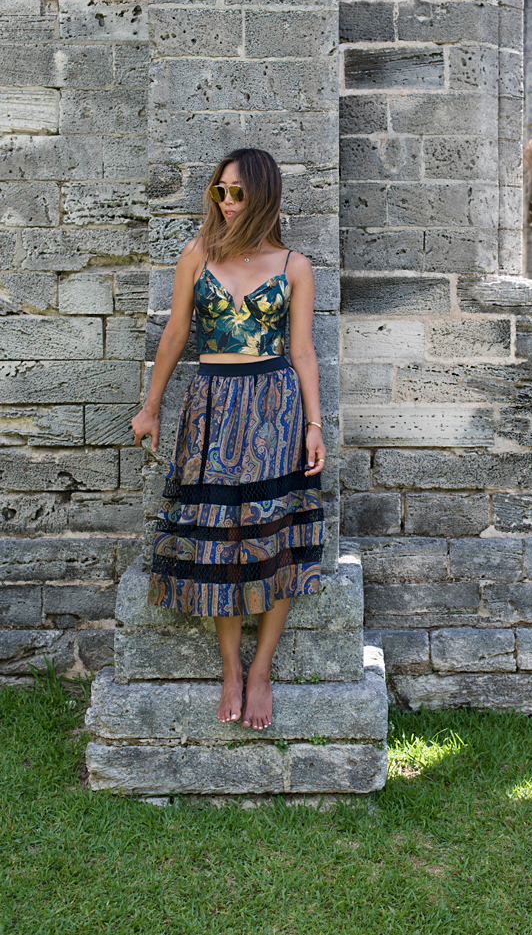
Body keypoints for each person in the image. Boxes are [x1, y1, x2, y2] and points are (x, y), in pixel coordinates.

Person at [131, 148, 325, 733]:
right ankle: (230, 669)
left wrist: (315, 425)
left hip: (276, 409)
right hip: (212, 404)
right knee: (221, 538)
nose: (227, 202)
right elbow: (176, 333)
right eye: (220, 191)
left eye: (238, 192)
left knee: (274, 536)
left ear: (263, 195)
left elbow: (302, 351)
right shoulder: (197, 255)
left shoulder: (294, 265)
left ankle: (261, 670)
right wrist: (150, 406)